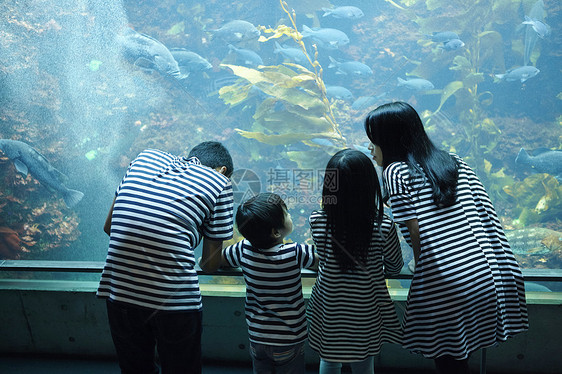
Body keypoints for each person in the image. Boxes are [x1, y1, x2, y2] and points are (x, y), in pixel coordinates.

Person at [364, 101, 529, 374]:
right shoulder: (452, 160)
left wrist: (421, 265)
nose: (370, 148)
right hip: (492, 275)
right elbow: (484, 214)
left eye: (374, 140)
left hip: (450, 283)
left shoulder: (394, 172)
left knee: (449, 360)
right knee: (466, 352)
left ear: (390, 141)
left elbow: (415, 231)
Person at [97, 141, 234, 374]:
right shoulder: (221, 182)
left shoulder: (144, 158)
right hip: (175, 302)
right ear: (222, 170)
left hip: (120, 292)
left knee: (135, 369)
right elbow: (209, 264)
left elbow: (110, 226)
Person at [307, 149, 404, 374]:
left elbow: (324, 257)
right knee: (363, 360)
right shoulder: (384, 227)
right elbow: (395, 266)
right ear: (369, 185)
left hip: (330, 306)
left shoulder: (318, 222)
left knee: (329, 358)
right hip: (365, 309)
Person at [221, 192, 318, 374]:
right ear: (275, 231)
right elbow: (322, 261)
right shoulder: (295, 252)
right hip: (289, 338)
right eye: (287, 213)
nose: (290, 216)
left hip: (258, 336)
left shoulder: (242, 249)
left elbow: (218, 260)